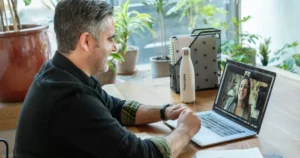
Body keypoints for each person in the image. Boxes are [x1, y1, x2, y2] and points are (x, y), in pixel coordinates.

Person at [13, 1, 201, 158]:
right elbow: (141, 155)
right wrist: (185, 130)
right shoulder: (72, 99)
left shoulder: (59, 71)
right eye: (110, 39)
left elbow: (114, 107)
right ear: (86, 41)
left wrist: (165, 112)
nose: (115, 47)